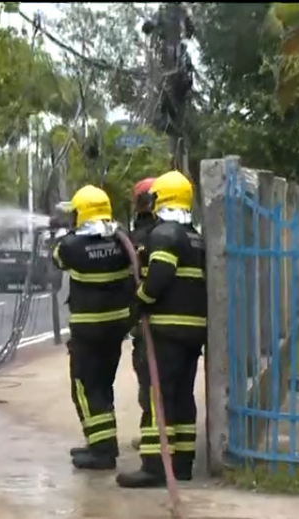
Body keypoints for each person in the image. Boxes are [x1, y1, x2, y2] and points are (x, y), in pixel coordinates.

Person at [116, 170, 208, 489]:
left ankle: (155, 465)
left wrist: (139, 301)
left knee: (159, 396)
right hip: (193, 330)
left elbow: (159, 278)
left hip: (167, 327)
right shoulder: (195, 235)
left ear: (161, 199)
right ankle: (182, 463)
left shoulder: (164, 234)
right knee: (182, 395)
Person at [52, 185, 136, 470]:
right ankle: (102, 444)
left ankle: (102, 452)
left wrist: (64, 231)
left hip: (88, 330)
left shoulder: (71, 246)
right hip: (116, 328)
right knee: (102, 385)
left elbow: (57, 259)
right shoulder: (121, 242)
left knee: (85, 387)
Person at [126, 177, 158, 452]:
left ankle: (153, 438)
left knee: (150, 381)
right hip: (180, 323)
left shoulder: (140, 237)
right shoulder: (177, 232)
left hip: (149, 322)